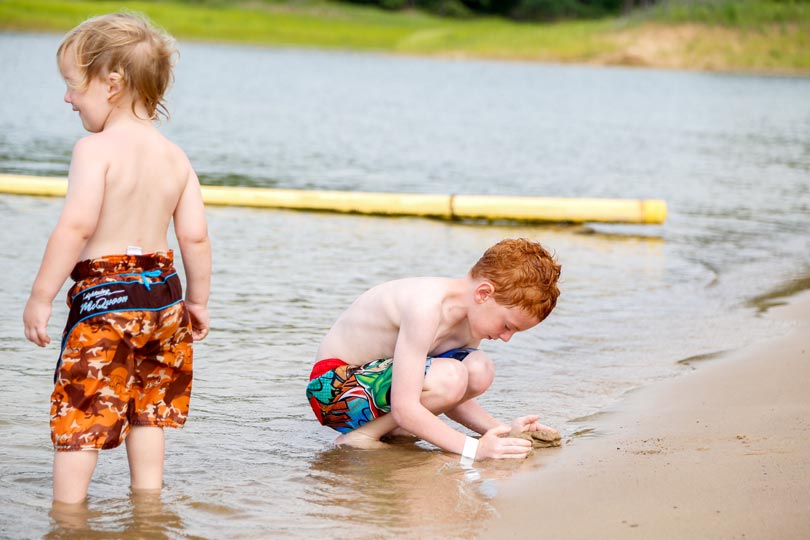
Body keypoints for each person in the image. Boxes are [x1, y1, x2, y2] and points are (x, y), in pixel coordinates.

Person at [22, 12, 211, 504]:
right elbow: (194, 237)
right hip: (165, 299)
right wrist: (199, 302)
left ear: (111, 83)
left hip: (107, 299)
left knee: (81, 414)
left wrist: (40, 297)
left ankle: (68, 518)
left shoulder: (95, 149)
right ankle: (147, 509)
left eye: (71, 84)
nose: (67, 97)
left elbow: (77, 226)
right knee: (150, 411)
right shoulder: (176, 156)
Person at [306, 238, 561, 463]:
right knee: (452, 374)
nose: (506, 338)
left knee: (479, 368)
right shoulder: (426, 306)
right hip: (332, 389)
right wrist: (474, 449)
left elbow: (453, 398)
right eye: (507, 326)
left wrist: (505, 432)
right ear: (483, 293)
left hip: (378, 390)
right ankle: (361, 436)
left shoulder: (471, 320)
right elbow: (413, 402)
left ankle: (390, 430)